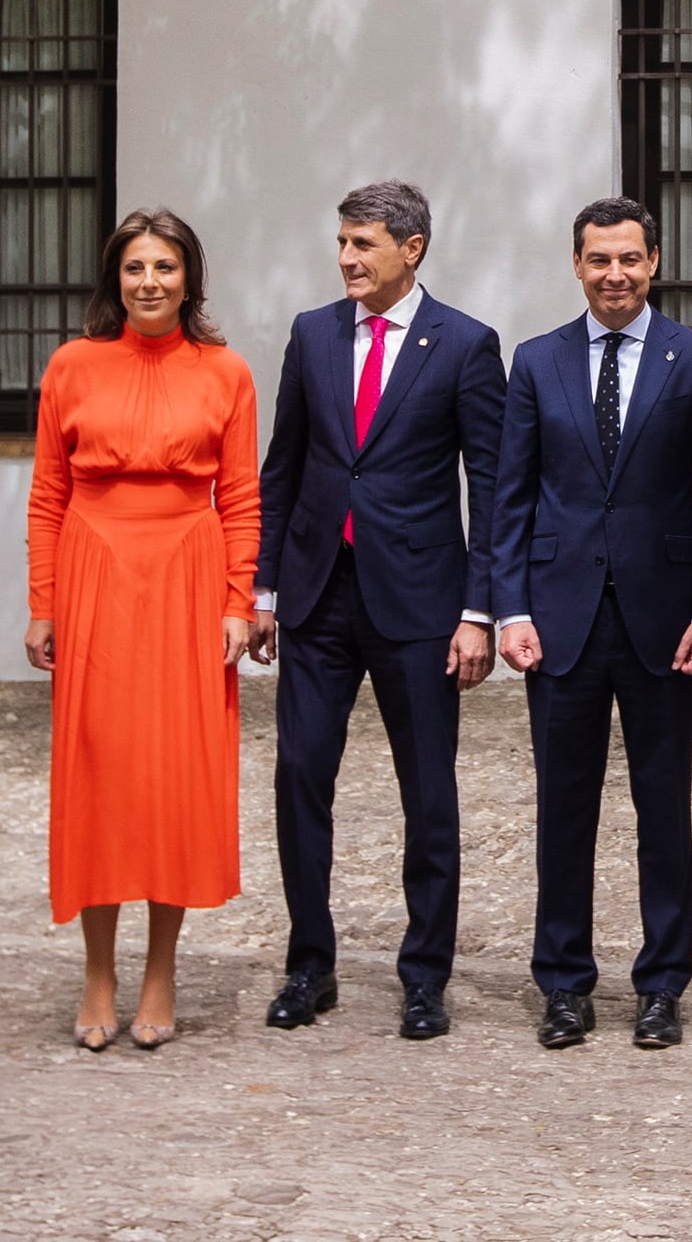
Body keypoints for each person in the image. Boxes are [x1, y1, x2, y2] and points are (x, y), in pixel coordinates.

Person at [248, 181, 506, 1037]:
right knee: (298, 776)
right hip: (318, 597)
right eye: (343, 243)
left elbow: (492, 486)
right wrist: (263, 590)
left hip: (423, 603)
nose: (348, 259)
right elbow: (282, 466)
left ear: (412, 247)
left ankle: (425, 975)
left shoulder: (467, 345)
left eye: (364, 244)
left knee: (428, 792)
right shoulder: (312, 334)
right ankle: (308, 966)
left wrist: (480, 611)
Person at [492, 198, 692, 1049]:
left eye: (629, 259)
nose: (614, 274)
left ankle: (662, 985)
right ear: (576, 265)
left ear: (654, 262)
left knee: (662, 809)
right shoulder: (536, 361)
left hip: (665, 623)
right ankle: (563, 984)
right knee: (563, 811)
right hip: (558, 621)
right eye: (599, 259)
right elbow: (510, 498)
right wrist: (512, 608)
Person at [27, 207, 263, 1049]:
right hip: (94, 569)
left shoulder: (226, 371)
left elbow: (239, 496)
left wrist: (239, 602)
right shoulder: (72, 365)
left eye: (165, 267)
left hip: (188, 579)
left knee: (170, 774)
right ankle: (97, 972)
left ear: (188, 279)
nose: (150, 282)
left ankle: (160, 972)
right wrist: (44, 603)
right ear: (113, 280)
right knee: (99, 770)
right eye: (135, 269)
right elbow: (48, 493)